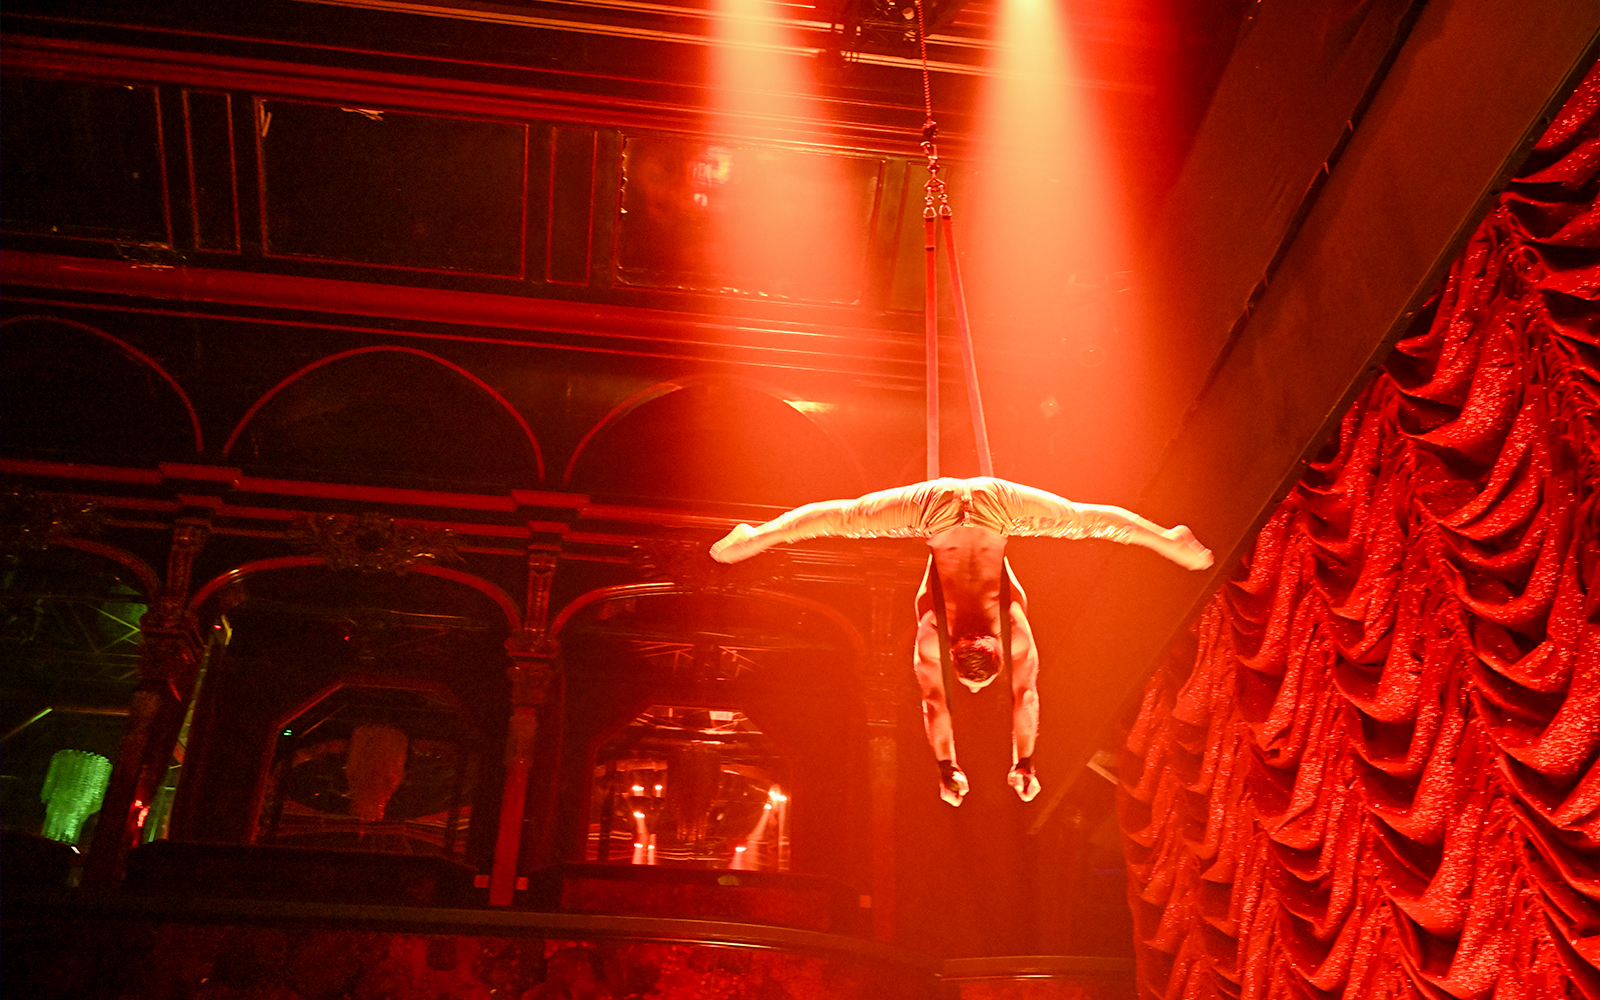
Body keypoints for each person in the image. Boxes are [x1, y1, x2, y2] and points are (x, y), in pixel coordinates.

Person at [710, 477, 1213, 806]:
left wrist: (1017, 762)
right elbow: (940, 704)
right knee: (841, 520)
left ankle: (1167, 540)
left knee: (1086, 523)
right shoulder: (935, 635)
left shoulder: (1005, 630)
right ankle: (756, 537)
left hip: (992, 510)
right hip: (940, 513)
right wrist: (961, 765)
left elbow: (1017, 696)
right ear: (963, 653)